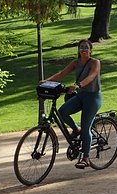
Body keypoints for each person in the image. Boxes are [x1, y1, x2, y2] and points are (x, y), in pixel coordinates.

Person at [41, 39, 102, 169]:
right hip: (81, 96)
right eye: (81, 48)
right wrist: (46, 81)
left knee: (86, 128)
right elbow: (62, 74)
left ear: (90, 50)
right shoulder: (76, 62)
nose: (84, 50)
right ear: (78, 50)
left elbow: (92, 76)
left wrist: (78, 85)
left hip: (93, 98)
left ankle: (86, 158)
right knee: (62, 112)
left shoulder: (95, 62)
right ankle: (75, 129)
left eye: (86, 47)